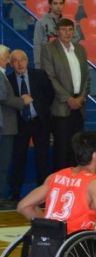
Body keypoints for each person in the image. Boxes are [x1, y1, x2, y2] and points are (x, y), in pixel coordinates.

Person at [41, 18, 90, 171]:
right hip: (61, 107)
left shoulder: (80, 49)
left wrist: (81, 97)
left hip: (79, 106)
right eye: (63, 29)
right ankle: (60, 184)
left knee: (77, 151)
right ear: (57, 32)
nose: (67, 33)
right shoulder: (49, 49)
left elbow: (87, 77)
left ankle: (74, 183)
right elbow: (50, 77)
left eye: (70, 29)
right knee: (61, 151)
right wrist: (68, 98)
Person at [7, 49, 54, 202]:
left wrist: (41, 110)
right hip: (20, 123)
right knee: (18, 158)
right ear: (11, 64)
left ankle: (43, 194)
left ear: (27, 61)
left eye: (22, 59)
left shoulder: (39, 75)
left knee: (42, 159)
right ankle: (15, 193)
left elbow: (50, 94)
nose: (19, 63)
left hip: (39, 122)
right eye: (15, 61)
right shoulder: (8, 80)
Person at [0, 45, 32, 209]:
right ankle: (1, 197)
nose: (8, 60)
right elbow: (3, 97)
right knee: (3, 164)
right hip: (5, 126)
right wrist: (22, 101)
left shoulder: (3, 74)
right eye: (7, 57)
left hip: (7, 125)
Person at [32, 0, 79, 68]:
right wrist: (38, 64)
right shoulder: (41, 22)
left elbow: (76, 38)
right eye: (55, 3)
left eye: (61, 3)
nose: (58, 6)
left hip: (64, 61)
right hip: (48, 61)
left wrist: (63, 42)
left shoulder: (69, 22)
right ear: (50, 5)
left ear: (63, 5)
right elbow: (37, 44)